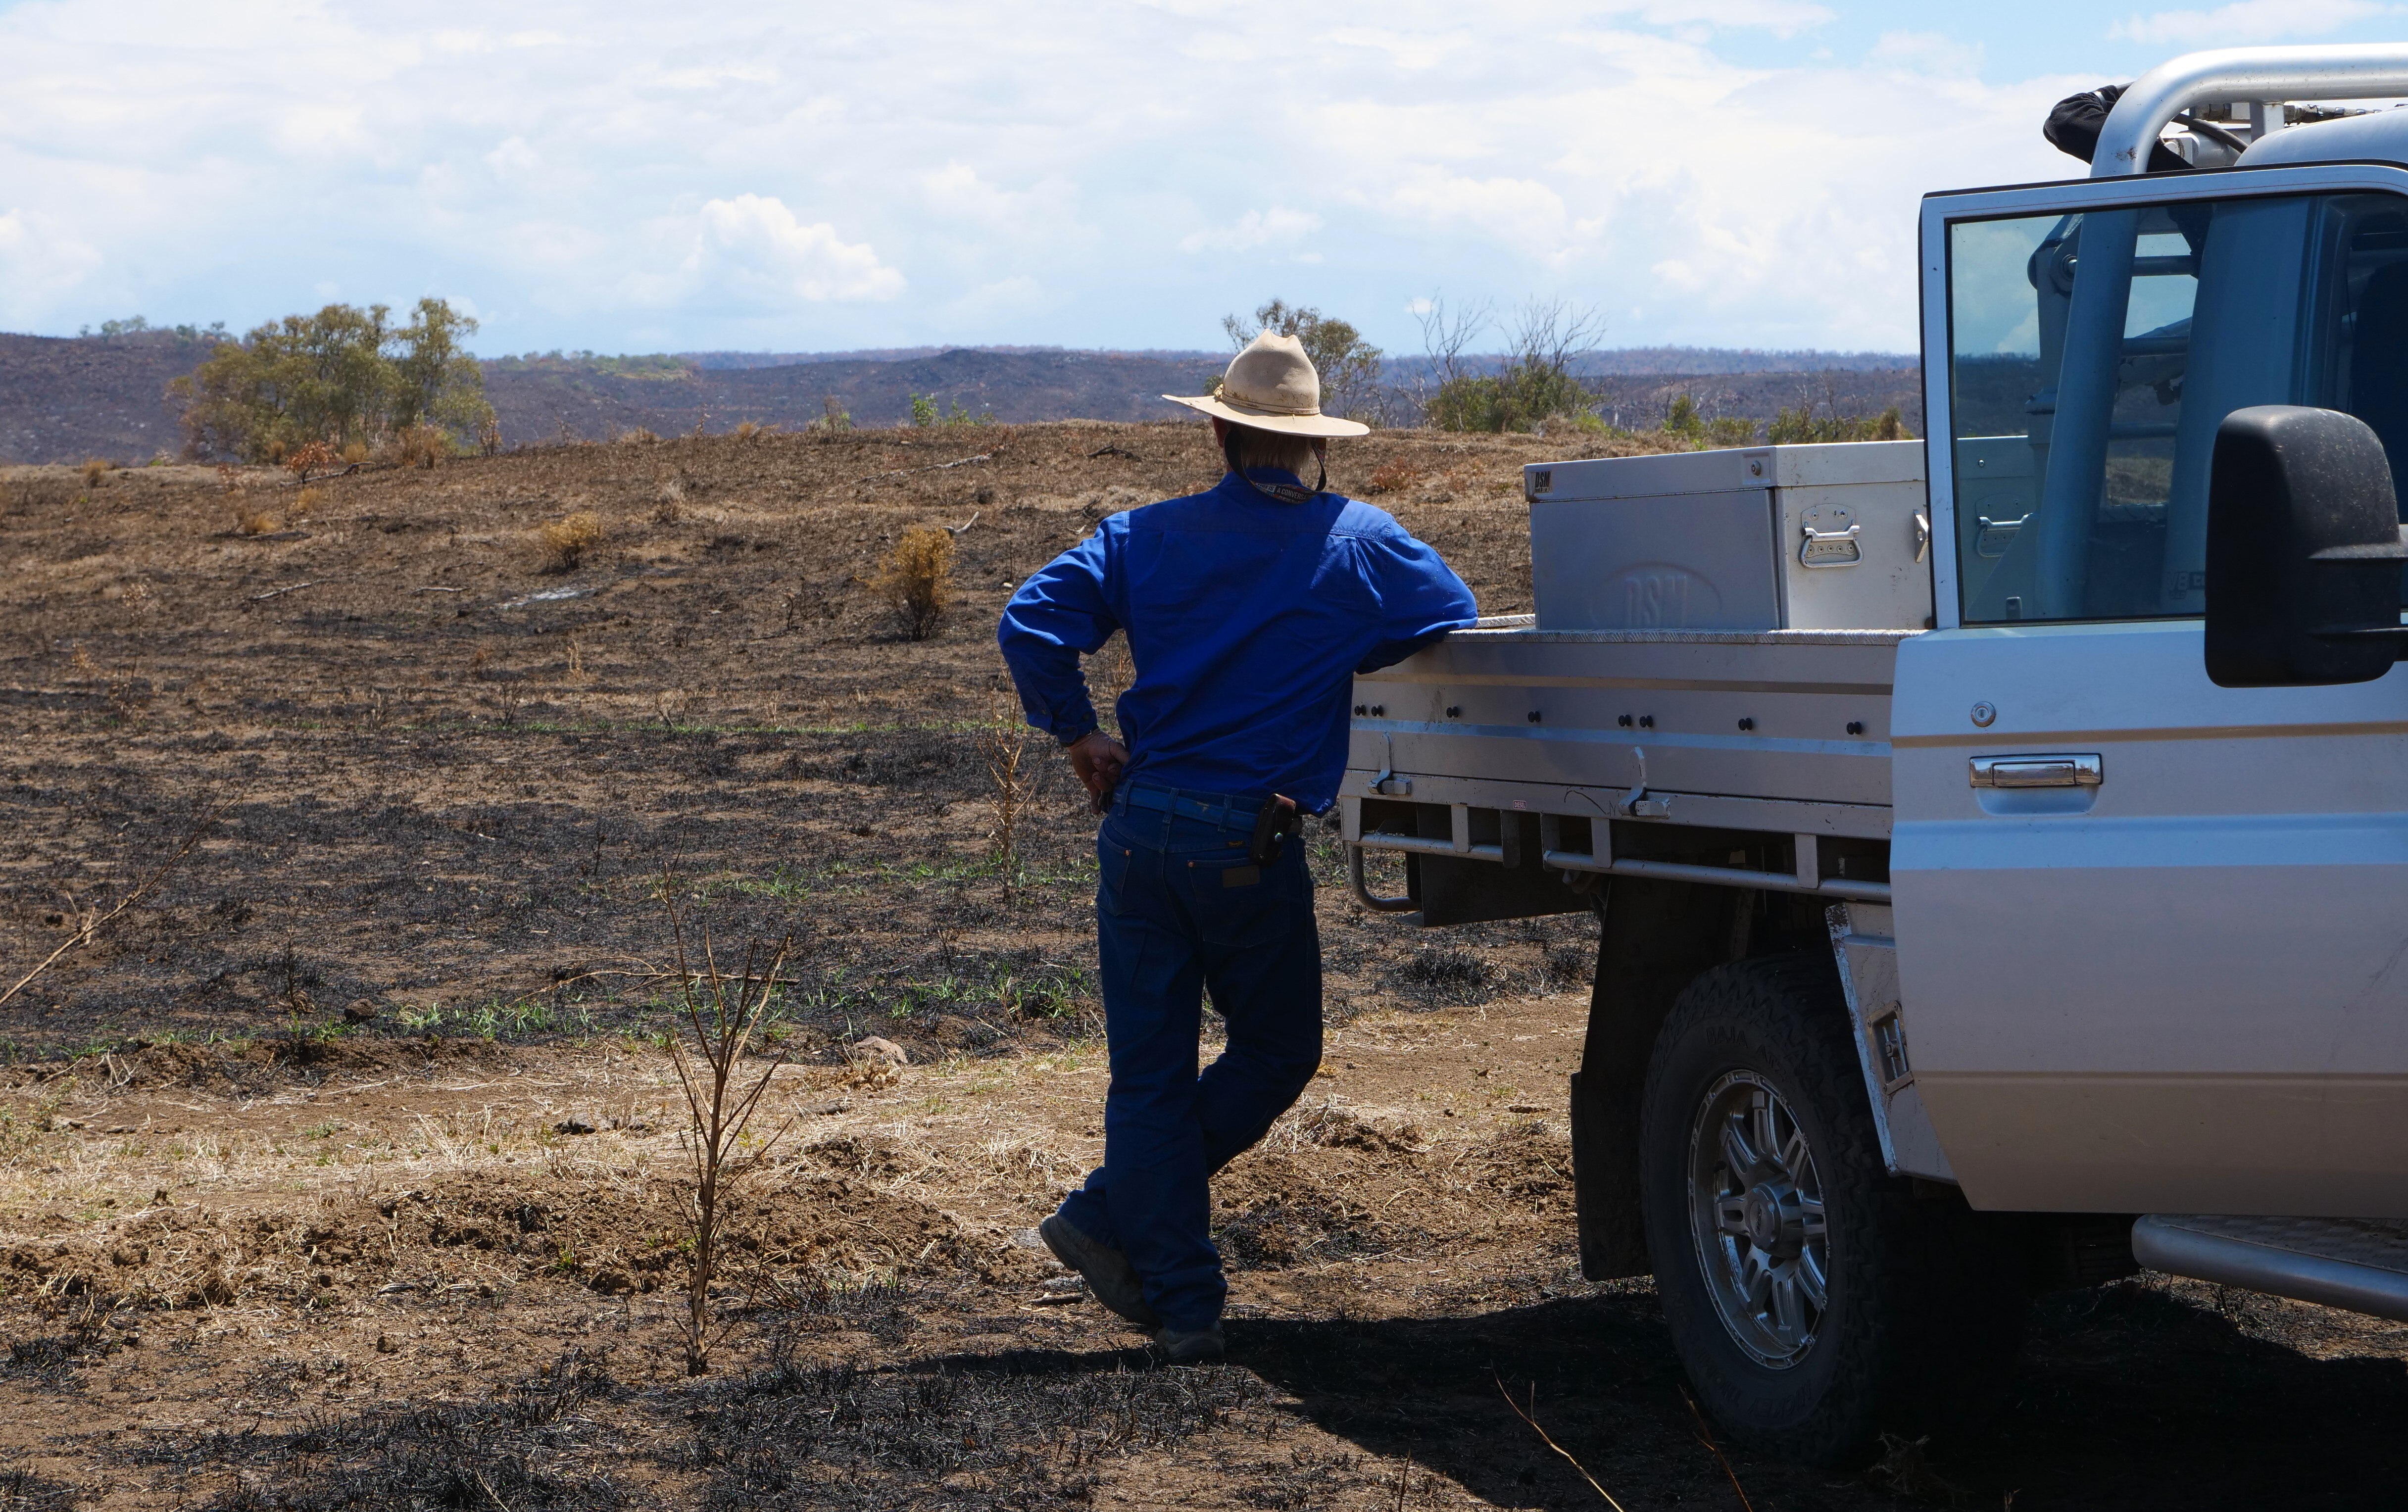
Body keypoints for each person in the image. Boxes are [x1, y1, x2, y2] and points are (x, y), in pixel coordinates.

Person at [996, 332, 1478, 1363]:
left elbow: (1029, 621)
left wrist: (1080, 733)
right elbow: (1452, 609)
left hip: (1141, 827)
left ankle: (1177, 1298)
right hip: (1246, 842)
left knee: (1149, 1076)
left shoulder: (1143, 536)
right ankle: (1116, 1223)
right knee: (1275, 1051)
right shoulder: (1361, 542)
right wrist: (1342, 642)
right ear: (1311, 444)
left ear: (1218, 431)